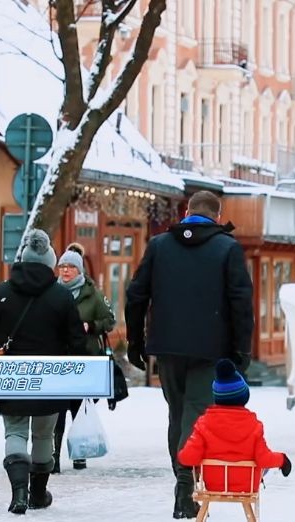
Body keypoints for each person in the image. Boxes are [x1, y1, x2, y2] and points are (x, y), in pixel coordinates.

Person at [125, 190, 254, 519]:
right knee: (196, 414)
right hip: (212, 348)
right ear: (217, 216)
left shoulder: (159, 246)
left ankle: (184, 482)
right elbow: (241, 304)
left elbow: (136, 295)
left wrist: (136, 342)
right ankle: (186, 485)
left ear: (186, 213)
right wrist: (242, 350)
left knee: (178, 414)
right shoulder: (227, 248)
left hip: (168, 347)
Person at [0, 229, 88, 515]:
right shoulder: (62, 297)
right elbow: (77, 341)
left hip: (10, 377)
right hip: (51, 379)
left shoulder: (1, 292)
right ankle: (38, 493)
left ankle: (19, 493)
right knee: (43, 435)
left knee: (14, 431)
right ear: (50, 262)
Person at [177, 359, 292, 493]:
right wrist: (282, 460)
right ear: (244, 397)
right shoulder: (254, 426)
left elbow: (187, 457)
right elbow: (264, 458)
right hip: (246, 485)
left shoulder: (203, 424)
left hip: (214, 484)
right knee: (259, 461)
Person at [52, 244, 116, 473]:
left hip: (85, 359)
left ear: (79, 270)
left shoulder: (92, 294)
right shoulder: (52, 292)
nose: (65, 270)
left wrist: (92, 325)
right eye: (62, 266)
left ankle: (80, 453)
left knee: (79, 408)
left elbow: (110, 320)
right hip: (59, 359)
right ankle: (53, 457)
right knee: (57, 410)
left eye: (70, 267)